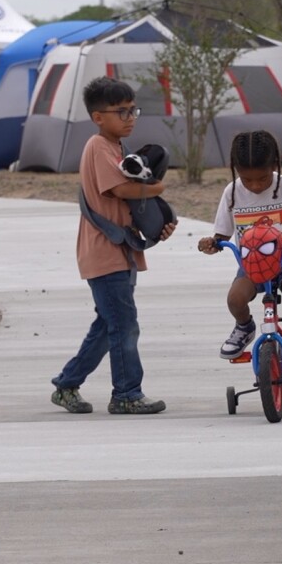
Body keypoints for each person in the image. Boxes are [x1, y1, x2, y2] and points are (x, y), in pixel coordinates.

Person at [50, 76, 176, 415]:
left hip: (121, 250)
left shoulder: (118, 148)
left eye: (132, 110)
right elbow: (120, 190)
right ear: (98, 117)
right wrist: (157, 189)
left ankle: (66, 384)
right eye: (121, 112)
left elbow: (128, 206)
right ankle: (126, 394)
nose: (130, 117)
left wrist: (157, 224)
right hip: (104, 250)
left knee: (109, 325)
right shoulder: (98, 146)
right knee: (124, 323)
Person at [197, 130, 282, 377]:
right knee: (235, 299)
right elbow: (222, 235)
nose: (256, 185)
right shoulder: (232, 192)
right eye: (247, 180)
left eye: (263, 178)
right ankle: (244, 326)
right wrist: (212, 243)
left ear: (275, 166)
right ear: (235, 169)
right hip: (251, 262)